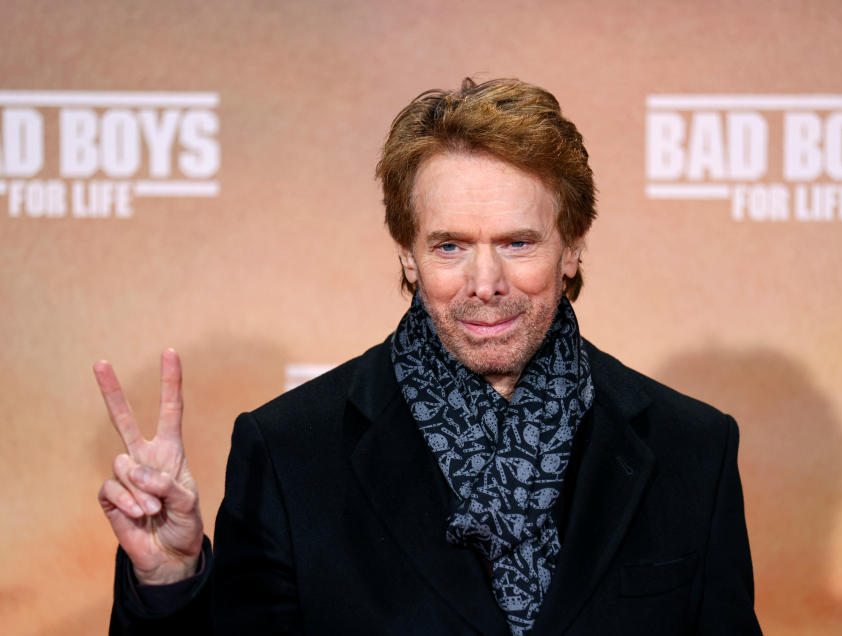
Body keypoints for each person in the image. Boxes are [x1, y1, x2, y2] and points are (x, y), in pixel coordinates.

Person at [96, 78, 763, 635]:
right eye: (449, 246)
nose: (485, 282)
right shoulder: (290, 451)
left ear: (573, 248)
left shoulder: (690, 449)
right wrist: (169, 582)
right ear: (407, 256)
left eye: (518, 243)